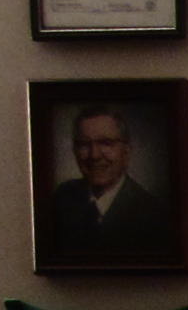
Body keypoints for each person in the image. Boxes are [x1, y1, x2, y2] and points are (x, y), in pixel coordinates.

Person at [46, 106, 169, 260]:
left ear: (126, 151)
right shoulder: (61, 198)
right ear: (74, 151)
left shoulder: (154, 215)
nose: (94, 155)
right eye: (84, 144)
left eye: (106, 143)